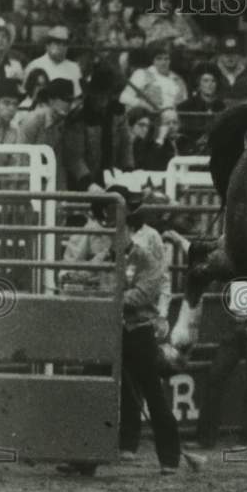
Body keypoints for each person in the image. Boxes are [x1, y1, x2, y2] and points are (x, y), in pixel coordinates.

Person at [59, 185, 182, 476]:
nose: (117, 234)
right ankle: (85, 457)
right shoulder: (106, 257)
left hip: (137, 330)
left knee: (152, 390)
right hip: (109, 329)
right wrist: (74, 278)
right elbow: (80, 274)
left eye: (121, 228)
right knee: (94, 388)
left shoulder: (146, 257)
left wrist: (110, 299)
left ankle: (170, 457)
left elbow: (144, 293)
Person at [61, 64, 134, 191]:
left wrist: (128, 172)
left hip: (112, 176)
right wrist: (88, 183)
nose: (103, 100)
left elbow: (126, 145)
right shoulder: (78, 117)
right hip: (83, 182)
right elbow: (74, 157)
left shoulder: (118, 113)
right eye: (99, 95)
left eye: (107, 95)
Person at [17, 79, 76, 187]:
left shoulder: (63, 124)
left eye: (71, 100)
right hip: (27, 180)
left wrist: (61, 196)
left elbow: (59, 165)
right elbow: (21, 159)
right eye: (64, 99)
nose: (68, 104)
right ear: (51, 100)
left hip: (47, 181)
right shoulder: (32, 121)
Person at [120, 43, 188, 112]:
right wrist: (144, 105)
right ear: (153, 60)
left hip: (172, 118)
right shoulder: (142, 74)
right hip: (148, 116)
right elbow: (124, 97)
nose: (163, 62)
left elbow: (183, 103)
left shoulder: (178, 80)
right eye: (159, 58)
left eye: (166, 59)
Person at [24, 26, 82, 95]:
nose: (61, 47)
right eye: (57, 43)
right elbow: (26, 93)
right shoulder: (35, 65)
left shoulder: (74, 67)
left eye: (65, 44)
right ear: (47, 45)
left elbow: (78, 95)